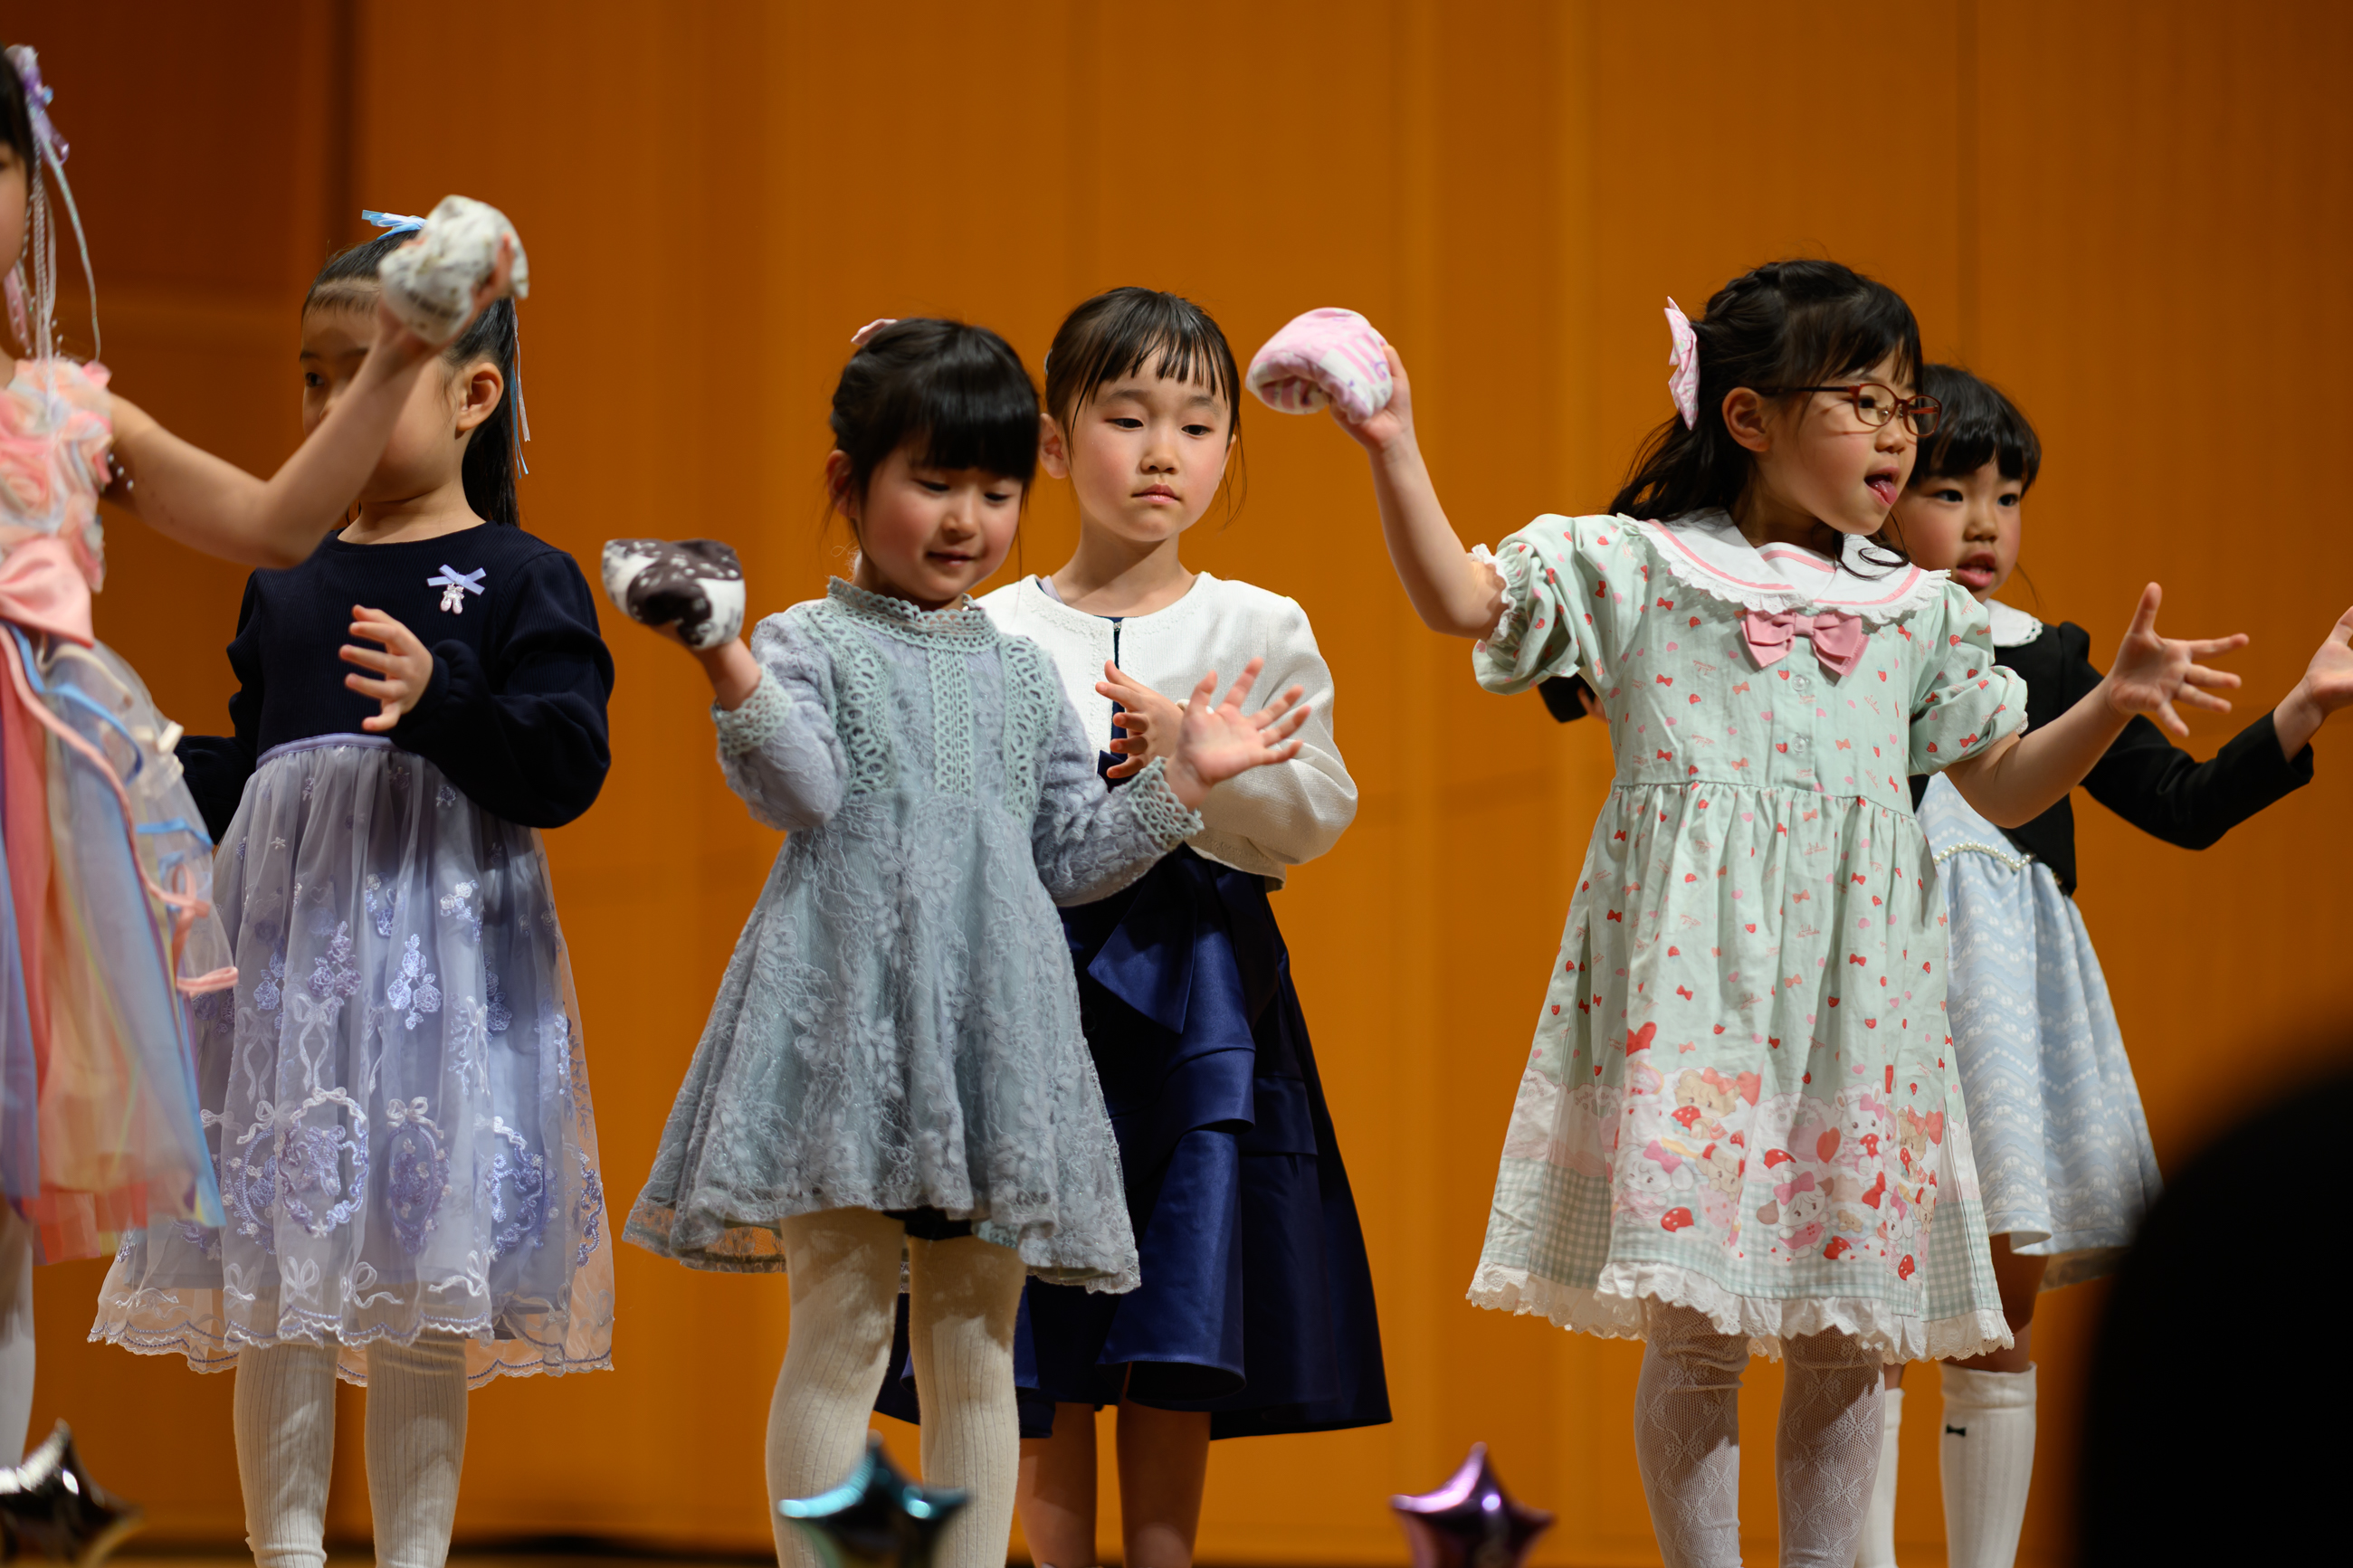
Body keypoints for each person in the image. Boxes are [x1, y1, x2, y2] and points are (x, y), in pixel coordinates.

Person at [1321, 259, 2246, 1568]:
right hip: (1695, 1004)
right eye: (1859, 398)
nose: (1892, 431)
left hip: (1861, 1010)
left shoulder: (1921, 609)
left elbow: (1999, 777)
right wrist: (1393, 445)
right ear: (1747, 417)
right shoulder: (1641, 565)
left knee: (1850, 1338)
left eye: (1905, 405)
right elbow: (1463, 603)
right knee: (1696, 1333)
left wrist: (2105, 706)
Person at [612, 318, 1312, 1568]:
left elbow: (1068, 858)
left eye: (994, 490)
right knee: (837, 1329)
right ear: (851, 482)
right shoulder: (802, 644)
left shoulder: (1022, 673)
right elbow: (802, 790)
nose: (965, 519)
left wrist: (1184, 785)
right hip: (846, 1031)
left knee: (979, 1350)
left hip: (995, 1038)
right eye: (932, 482)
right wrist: (723, 655)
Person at [0, 38, 510, 1527]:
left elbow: (285, 521)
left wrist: (405, 347)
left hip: (28, 817)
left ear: (29, 194)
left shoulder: (60, 408)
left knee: (3, 1224)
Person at [89, 214, 607, 1568]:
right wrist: (134, 766)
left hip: (443, 977)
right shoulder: (288, 575)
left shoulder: (519, 576)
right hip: (293, 985)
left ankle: (417, 1553)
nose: (331, 404)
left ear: (471, 390)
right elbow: (257, 766)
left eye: (366, 370)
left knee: (423, 1269)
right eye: (314, 377)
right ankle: (287, 1553)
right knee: (283, 1269)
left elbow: (565, 764)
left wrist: (448, 703)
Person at [877, 287, 1387, 1568]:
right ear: (1054, 444)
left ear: (1227, 448)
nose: (1164, 451)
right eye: (1127, 416)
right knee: (1028, 1308)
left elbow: (1316, 812)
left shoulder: (1259, 624)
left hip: (1203, 991)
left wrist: (1198, 768)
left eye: (1199, 424)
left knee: (1177, 1294)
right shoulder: (987, 622)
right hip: (1023, 983)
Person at [1843, 364, 2350, 1568]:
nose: (1982, 523)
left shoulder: (2056, 654)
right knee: (1855, 1308)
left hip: (2005, 998)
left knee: (1996, 1317)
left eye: (2006, 497)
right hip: (1871, 977)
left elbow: (2181, 804)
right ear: (1877, 491)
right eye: (1949, 489)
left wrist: (2299, 712)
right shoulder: (1841, 634)